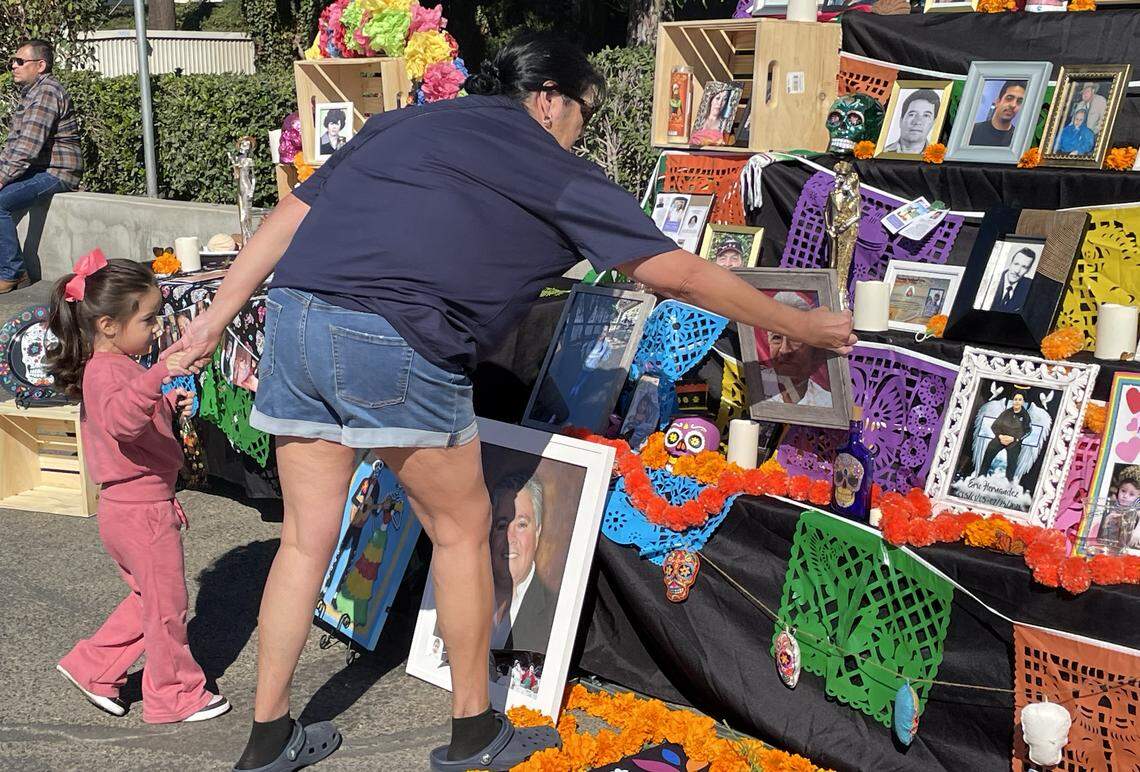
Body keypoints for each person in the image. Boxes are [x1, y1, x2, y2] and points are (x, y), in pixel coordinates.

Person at [166, 31, 854, 772]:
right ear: (549, 99)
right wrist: (798, 322)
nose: (578, 133)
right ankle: (473, 734)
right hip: (396, 337)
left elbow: (292, 216)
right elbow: (678, 275)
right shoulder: (550, 164)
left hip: (296, 317)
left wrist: (215, 317)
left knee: (305, 538)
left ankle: (268, 736)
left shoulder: (408, 120)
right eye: (581, 115)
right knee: (463, 529)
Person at [45, 253, 231, 724]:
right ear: (108, 324)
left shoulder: (115, 367)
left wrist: (166, 401)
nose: (154, 328)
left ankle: (92, 666)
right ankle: (174, 693)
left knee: (150, 600)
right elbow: (125, 421)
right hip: (140, 508)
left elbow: (130, 417)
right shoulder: (109, 370)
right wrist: (159, 376)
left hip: (132, 505)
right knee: (167, 608)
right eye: (147, 319)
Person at [0, 39, 82, 293]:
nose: (14, 65)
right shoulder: (32, 93)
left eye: (20, 61)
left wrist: (2, 178)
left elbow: (27, 146)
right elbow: (13, 145)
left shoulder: (47, 92)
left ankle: (13, 272)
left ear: (41, 65)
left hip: (57, 172)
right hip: (39, 170)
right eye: (13, 61)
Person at [489, 474, 554, 655]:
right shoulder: (464, 593)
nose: (510, 538)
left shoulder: (556, 614)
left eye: (521, 524)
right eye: (502, 525)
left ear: (538, 532)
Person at [759, 292, 833, 407]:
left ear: (813, 346)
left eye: (794, 339)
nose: (783, 350)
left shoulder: (826, 403)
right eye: (776, 338)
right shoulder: (750, 389)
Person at [977, 391, 1032, 481]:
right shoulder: (1006, 413)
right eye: (1015, 399)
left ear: (1022, 402)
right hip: (1001, 438)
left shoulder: (1025, 416)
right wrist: (1000, 436)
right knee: (989, 450)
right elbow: (995, 426)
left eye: (1019, 400)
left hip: (1014, 442)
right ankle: (980, 477)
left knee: (1012, 463)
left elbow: (1028, 431)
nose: (1017, 401)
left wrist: (1015, 439)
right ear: (1013, 401)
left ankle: (1008, 483)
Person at [970, 80, 1026, 147]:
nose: (1013, 105)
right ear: (997, 102)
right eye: (1009, 98)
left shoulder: (1018, 141)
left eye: (1019, 101)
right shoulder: (972, 131)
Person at [885, 89, 941, 154]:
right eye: (912, 114)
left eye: (926, 116)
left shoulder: (938, 156)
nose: (917, 122)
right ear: (901, 120)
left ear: (933, 123)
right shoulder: (882, 152)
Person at [989, 247, 1035, 313]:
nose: (1017, 270)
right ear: (1010, 263)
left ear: (1028, 270)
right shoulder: (992, 279)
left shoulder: (1030, 286)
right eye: (1016, 264)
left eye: (1024, 267)